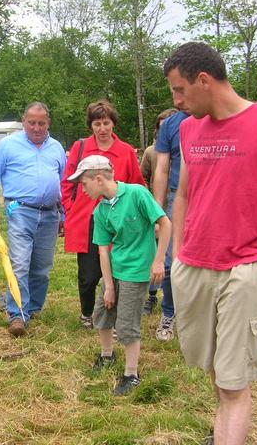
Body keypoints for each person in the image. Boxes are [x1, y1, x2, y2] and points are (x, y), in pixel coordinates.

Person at [165, 42, 257, 445]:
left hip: (243, 271)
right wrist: (178, 253)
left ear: (204, 80)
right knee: (217, 371)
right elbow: (183, 195)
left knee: (234, 385)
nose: (177, 101)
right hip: (194, 267)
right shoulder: (189, 128)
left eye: (180, 91)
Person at [67, 155, 171, 395]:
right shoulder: (101, 210)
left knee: (126, 324)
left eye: (84, 184)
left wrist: (159, 260)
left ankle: (132, 374)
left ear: (100, 179)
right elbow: (103, 251)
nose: (82, 190)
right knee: (102, 312)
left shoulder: (137, 194)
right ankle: (107, 356)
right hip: (115, 269)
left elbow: (165, 224)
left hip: (136, 272)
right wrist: (110, 286)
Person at [0, 102, 66, 337]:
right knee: (19, 264)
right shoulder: (8, 145)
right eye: (31, 122)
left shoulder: (57, 148)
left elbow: (65, 183)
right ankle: (17, 313)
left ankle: (34, 307)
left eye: (41, 123)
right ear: (24, 121)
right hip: (19, 209)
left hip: (50, 213)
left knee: (42, 267)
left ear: (48, 123)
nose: (36, 127)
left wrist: (64, 214)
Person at [61, 100, 145, 330]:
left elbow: (137, 184)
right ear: (91, 126)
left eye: (106, 123)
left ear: (113, 124)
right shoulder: (80, 148)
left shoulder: (126, 151)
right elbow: (67, 182)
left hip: (119, 220)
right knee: (88, 273)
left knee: (118, 268)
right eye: (97, 123)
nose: (102, 128)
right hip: (86, 219)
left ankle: (117, 313)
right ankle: (87, 313)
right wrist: (70, 207)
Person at [149, 108, 190, 336]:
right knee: (170, 261)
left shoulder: (214, 117)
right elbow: (161, 170)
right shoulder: (171, 125)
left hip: (209, 197)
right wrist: (158, 212)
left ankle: (196, 316)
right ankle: (169, 313)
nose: (177, 96)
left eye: (180, 88)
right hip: (177, 196)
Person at [141, 108, 177, 315]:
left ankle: (172, 301)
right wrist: (149, 201)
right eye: (162, 127)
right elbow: (142, 176)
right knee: (154, 253)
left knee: (172, 255)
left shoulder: (183, 150)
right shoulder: (151, 152)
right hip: (155, 208)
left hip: (177, 208)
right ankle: (152, 295)